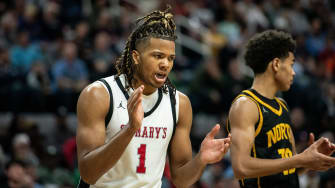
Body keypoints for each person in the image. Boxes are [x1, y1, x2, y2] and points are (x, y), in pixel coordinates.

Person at [76, 6, 231, 188]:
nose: (165, 64)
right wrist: (130, 129)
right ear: (136, 57)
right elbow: (88, 174)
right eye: (158, 56)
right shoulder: (99, 95)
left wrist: (201, 160)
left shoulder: (179, 103)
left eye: (170, 58)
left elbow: (181, 180)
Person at [227, 29, 335, 188]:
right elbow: (240, 167)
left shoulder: (282, 105)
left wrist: (309, 160)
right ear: (276, 64)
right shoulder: (246, 105)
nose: (293, 73)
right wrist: (300, 159)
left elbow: (288, 170)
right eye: (291, 65)